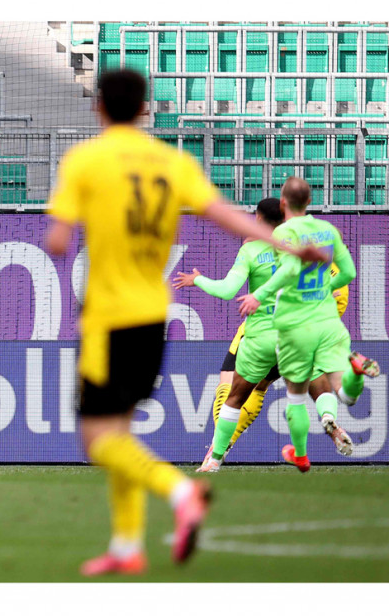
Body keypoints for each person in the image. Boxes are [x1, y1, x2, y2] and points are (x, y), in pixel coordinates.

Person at [45, 69, 329, 577]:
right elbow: (227, 215)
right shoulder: (171, 162)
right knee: (121, 430)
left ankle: (181, 491)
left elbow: (60, 241)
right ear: (146, 108)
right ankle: (127, 544)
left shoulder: (85, 159)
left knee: (97, 440)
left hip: (110, 316)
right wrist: (288, 244)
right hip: (154, 316)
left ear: (99, 105)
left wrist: (70, 226)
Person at [172, 199, 357, 470]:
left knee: (234, 392)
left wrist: (197, 279)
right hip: (299, 330)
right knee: (316, 382)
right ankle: (329, 418)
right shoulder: (305, 245)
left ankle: (216, 452)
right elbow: (336, 276)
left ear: (258, 219)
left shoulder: (252, 249)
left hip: (261, 335)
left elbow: (226, 290)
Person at [236, 177, 379, 473]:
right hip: (327, 321)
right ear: (310, 201)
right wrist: (327, 289)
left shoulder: (284, 235)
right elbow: (348, 272)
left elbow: (287, 270)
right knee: (340, 392)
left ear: (284, 204)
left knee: (276, 390)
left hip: (293, 325)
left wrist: (258, 295)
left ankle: (292, 454)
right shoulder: (327, 231)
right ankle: (353, 375)